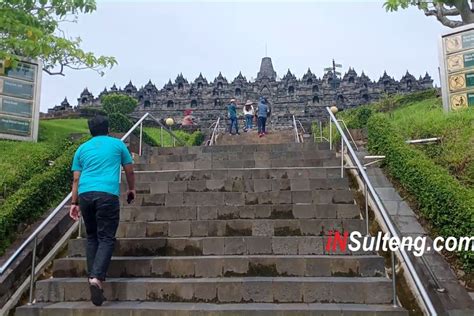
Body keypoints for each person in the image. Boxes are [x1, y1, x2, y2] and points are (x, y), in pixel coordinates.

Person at [69, 115, 135, 306]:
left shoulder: (82, 149)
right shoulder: (117, 145)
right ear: (108, 128)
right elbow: (129, 170)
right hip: (107, 194)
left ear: (90, 131)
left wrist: (74, 203)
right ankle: (96, 278)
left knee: (92, 237)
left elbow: (76, 179)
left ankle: (93, 276)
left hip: (85, 195)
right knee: (106, 237)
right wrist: (132, 189)